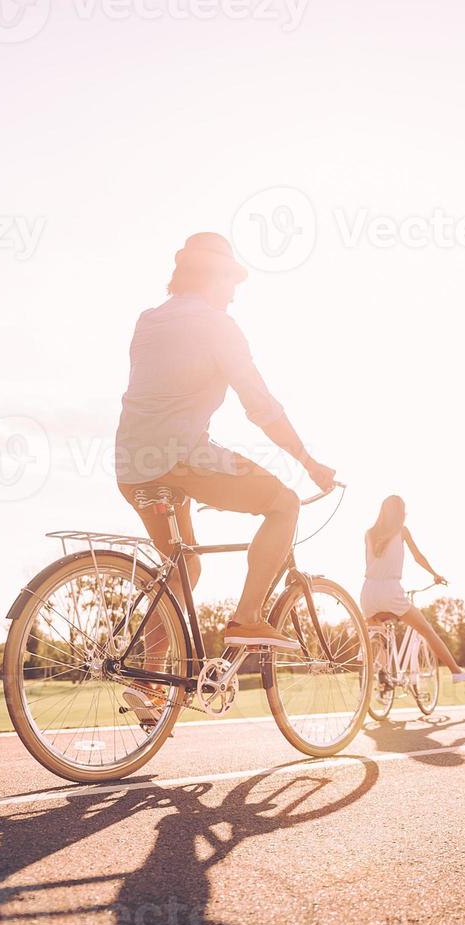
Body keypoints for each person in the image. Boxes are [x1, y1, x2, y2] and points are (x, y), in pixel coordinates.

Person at [114, 233, 337, 721]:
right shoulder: (218, 325)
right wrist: (308, 462)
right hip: (185, 459)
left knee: (182, 566)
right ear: (213, 276)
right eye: (231, 280)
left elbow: (164, 393)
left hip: (133, 465)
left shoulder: (148, 320)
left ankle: (151, 688)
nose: (234, 292)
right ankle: (247, 618)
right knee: (285, 504)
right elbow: (260, 406)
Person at [361, 496, 465, 684]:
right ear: (400, 512)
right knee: (427, 630)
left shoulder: (368, 533)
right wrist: (435, 574)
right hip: (390, 590)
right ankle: (456, 672)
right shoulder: (402, 531)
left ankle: (382, 679)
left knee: (378, 635)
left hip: (368, 591)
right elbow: (418, 557)